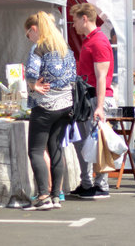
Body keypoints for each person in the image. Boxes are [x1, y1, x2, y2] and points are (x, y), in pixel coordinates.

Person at [22, 12, 77, 210]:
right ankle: (56, 196)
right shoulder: (64, 47)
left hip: (45, 104)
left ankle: (43, 195)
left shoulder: (38, 47)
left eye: (28, 34)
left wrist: (32, 85)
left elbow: (30, 72)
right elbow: (73, 75)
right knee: (56, 149)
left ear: (34, 29)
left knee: (36, 150)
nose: (29, 38)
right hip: (65, 104)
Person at [69, 3, 114, 199]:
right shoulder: (91, 40)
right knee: (86, 142)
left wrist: (99, 106)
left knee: (97, 142)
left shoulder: (98, 41)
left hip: (96, 97)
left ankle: (101, 185)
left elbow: (102, 76)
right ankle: (87, 183)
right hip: (88, 98)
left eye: (75, 20)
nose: (73, 25)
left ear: (84, 19)